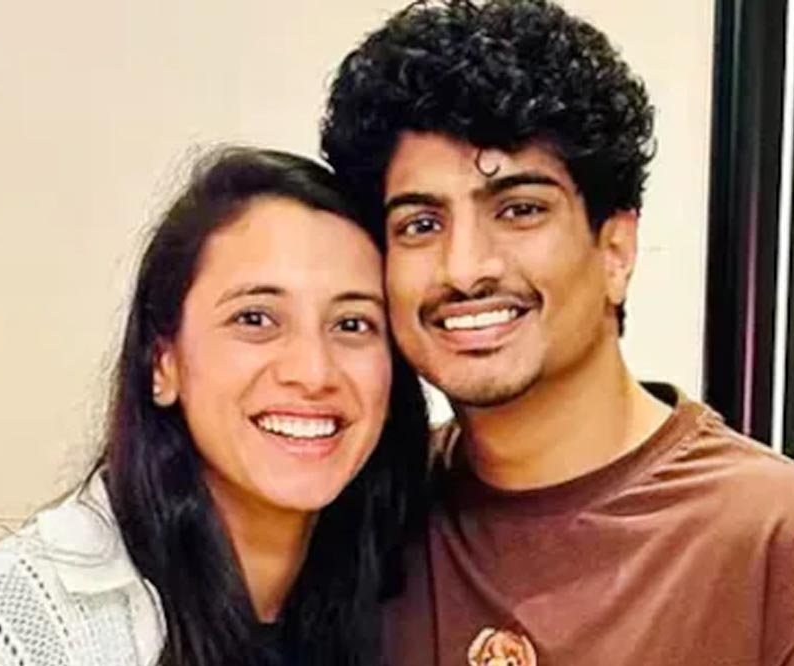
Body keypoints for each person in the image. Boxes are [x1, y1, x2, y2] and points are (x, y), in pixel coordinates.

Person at [321, 1, 794, 664]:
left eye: (519, 210)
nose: (465, 269)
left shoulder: (768, 536)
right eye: (420, 225)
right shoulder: (362, 513)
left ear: (615, 250)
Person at [0, 148, 429, 666]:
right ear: (162, 363)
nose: (313, 372)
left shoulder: (408, 591)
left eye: (352, 324)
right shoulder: (15, 628)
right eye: (255, 319)